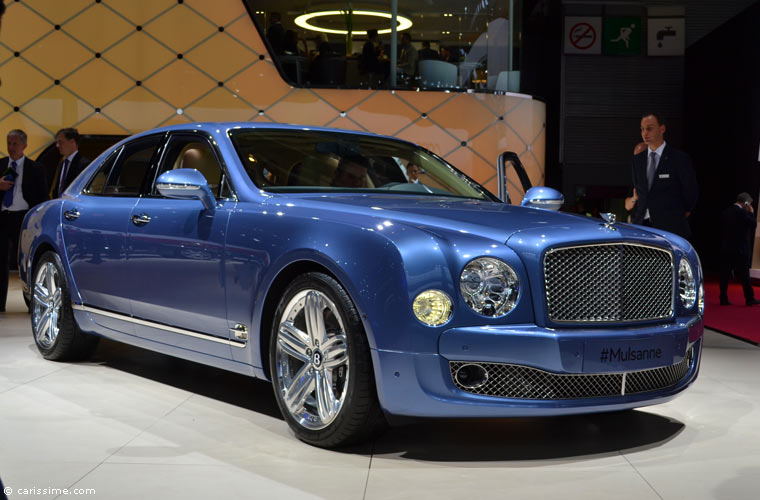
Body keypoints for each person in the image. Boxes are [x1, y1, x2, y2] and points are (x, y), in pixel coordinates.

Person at [0, 129, 49, 312]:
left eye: (15, 144)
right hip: (3, 217)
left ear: (24, 146)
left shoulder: (36, 168)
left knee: (27, 261)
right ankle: (0, 304)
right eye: (9, 143)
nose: (11, 147)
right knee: (0, 261)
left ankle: (31, 304)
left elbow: (43, 196)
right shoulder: (1, 165)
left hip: (24, 218)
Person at [631, 113, 698, 239]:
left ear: (662, 129)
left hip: (671, 227)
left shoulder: (679, 159)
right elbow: (639, 189)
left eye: (649, 128)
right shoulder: (637, 160)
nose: (645, 133)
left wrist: (679, 214)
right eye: (642, 129)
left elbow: (691, 191)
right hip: (641, 226)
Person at [719, 192, 759, 306]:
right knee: (745, 275)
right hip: (741, 249)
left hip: (726, 248)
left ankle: (723, 297)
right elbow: (753, 224)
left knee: (725, 274)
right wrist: (751, 213)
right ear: (746, 203)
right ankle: (749, 298)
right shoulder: (743, 213)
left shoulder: (726, 212)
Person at [52, 128, 89, 198]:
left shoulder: (84, 164)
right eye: (57, 143)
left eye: (60, 142)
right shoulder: (62, 164)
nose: (57, 145)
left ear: (72, 142)